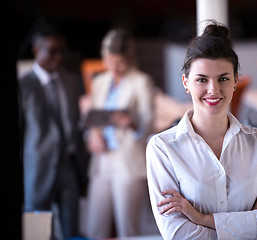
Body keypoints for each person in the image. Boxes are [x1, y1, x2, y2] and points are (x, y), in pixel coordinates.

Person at [146, 21, 257, 240]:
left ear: (235, 81)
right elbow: (177, 234)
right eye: (202, 79)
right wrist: (249, 220)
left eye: (223, 79)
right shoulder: (162, 148)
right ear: (186, 82)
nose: (213, 90)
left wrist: (202, 219)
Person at [84, 28, 156, 238]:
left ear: (130, 58)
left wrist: (132, 124)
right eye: (109, 61)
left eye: (119, 63)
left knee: (127, 229)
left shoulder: (142, 82)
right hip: (102, 160)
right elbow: (93, 118)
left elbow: (148, 125)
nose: (114, 68)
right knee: (94, 227)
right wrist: (93, 133)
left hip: (128, 162)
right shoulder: (99, 81)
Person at [18, 19, 84, 239]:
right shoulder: (23, 86)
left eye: (62, 52)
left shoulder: (72, 80)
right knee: (37, 231)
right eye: (53, 51)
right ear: (37, 49)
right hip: (36, 168)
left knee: (70, 229)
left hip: (68, 165)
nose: (59, 57)